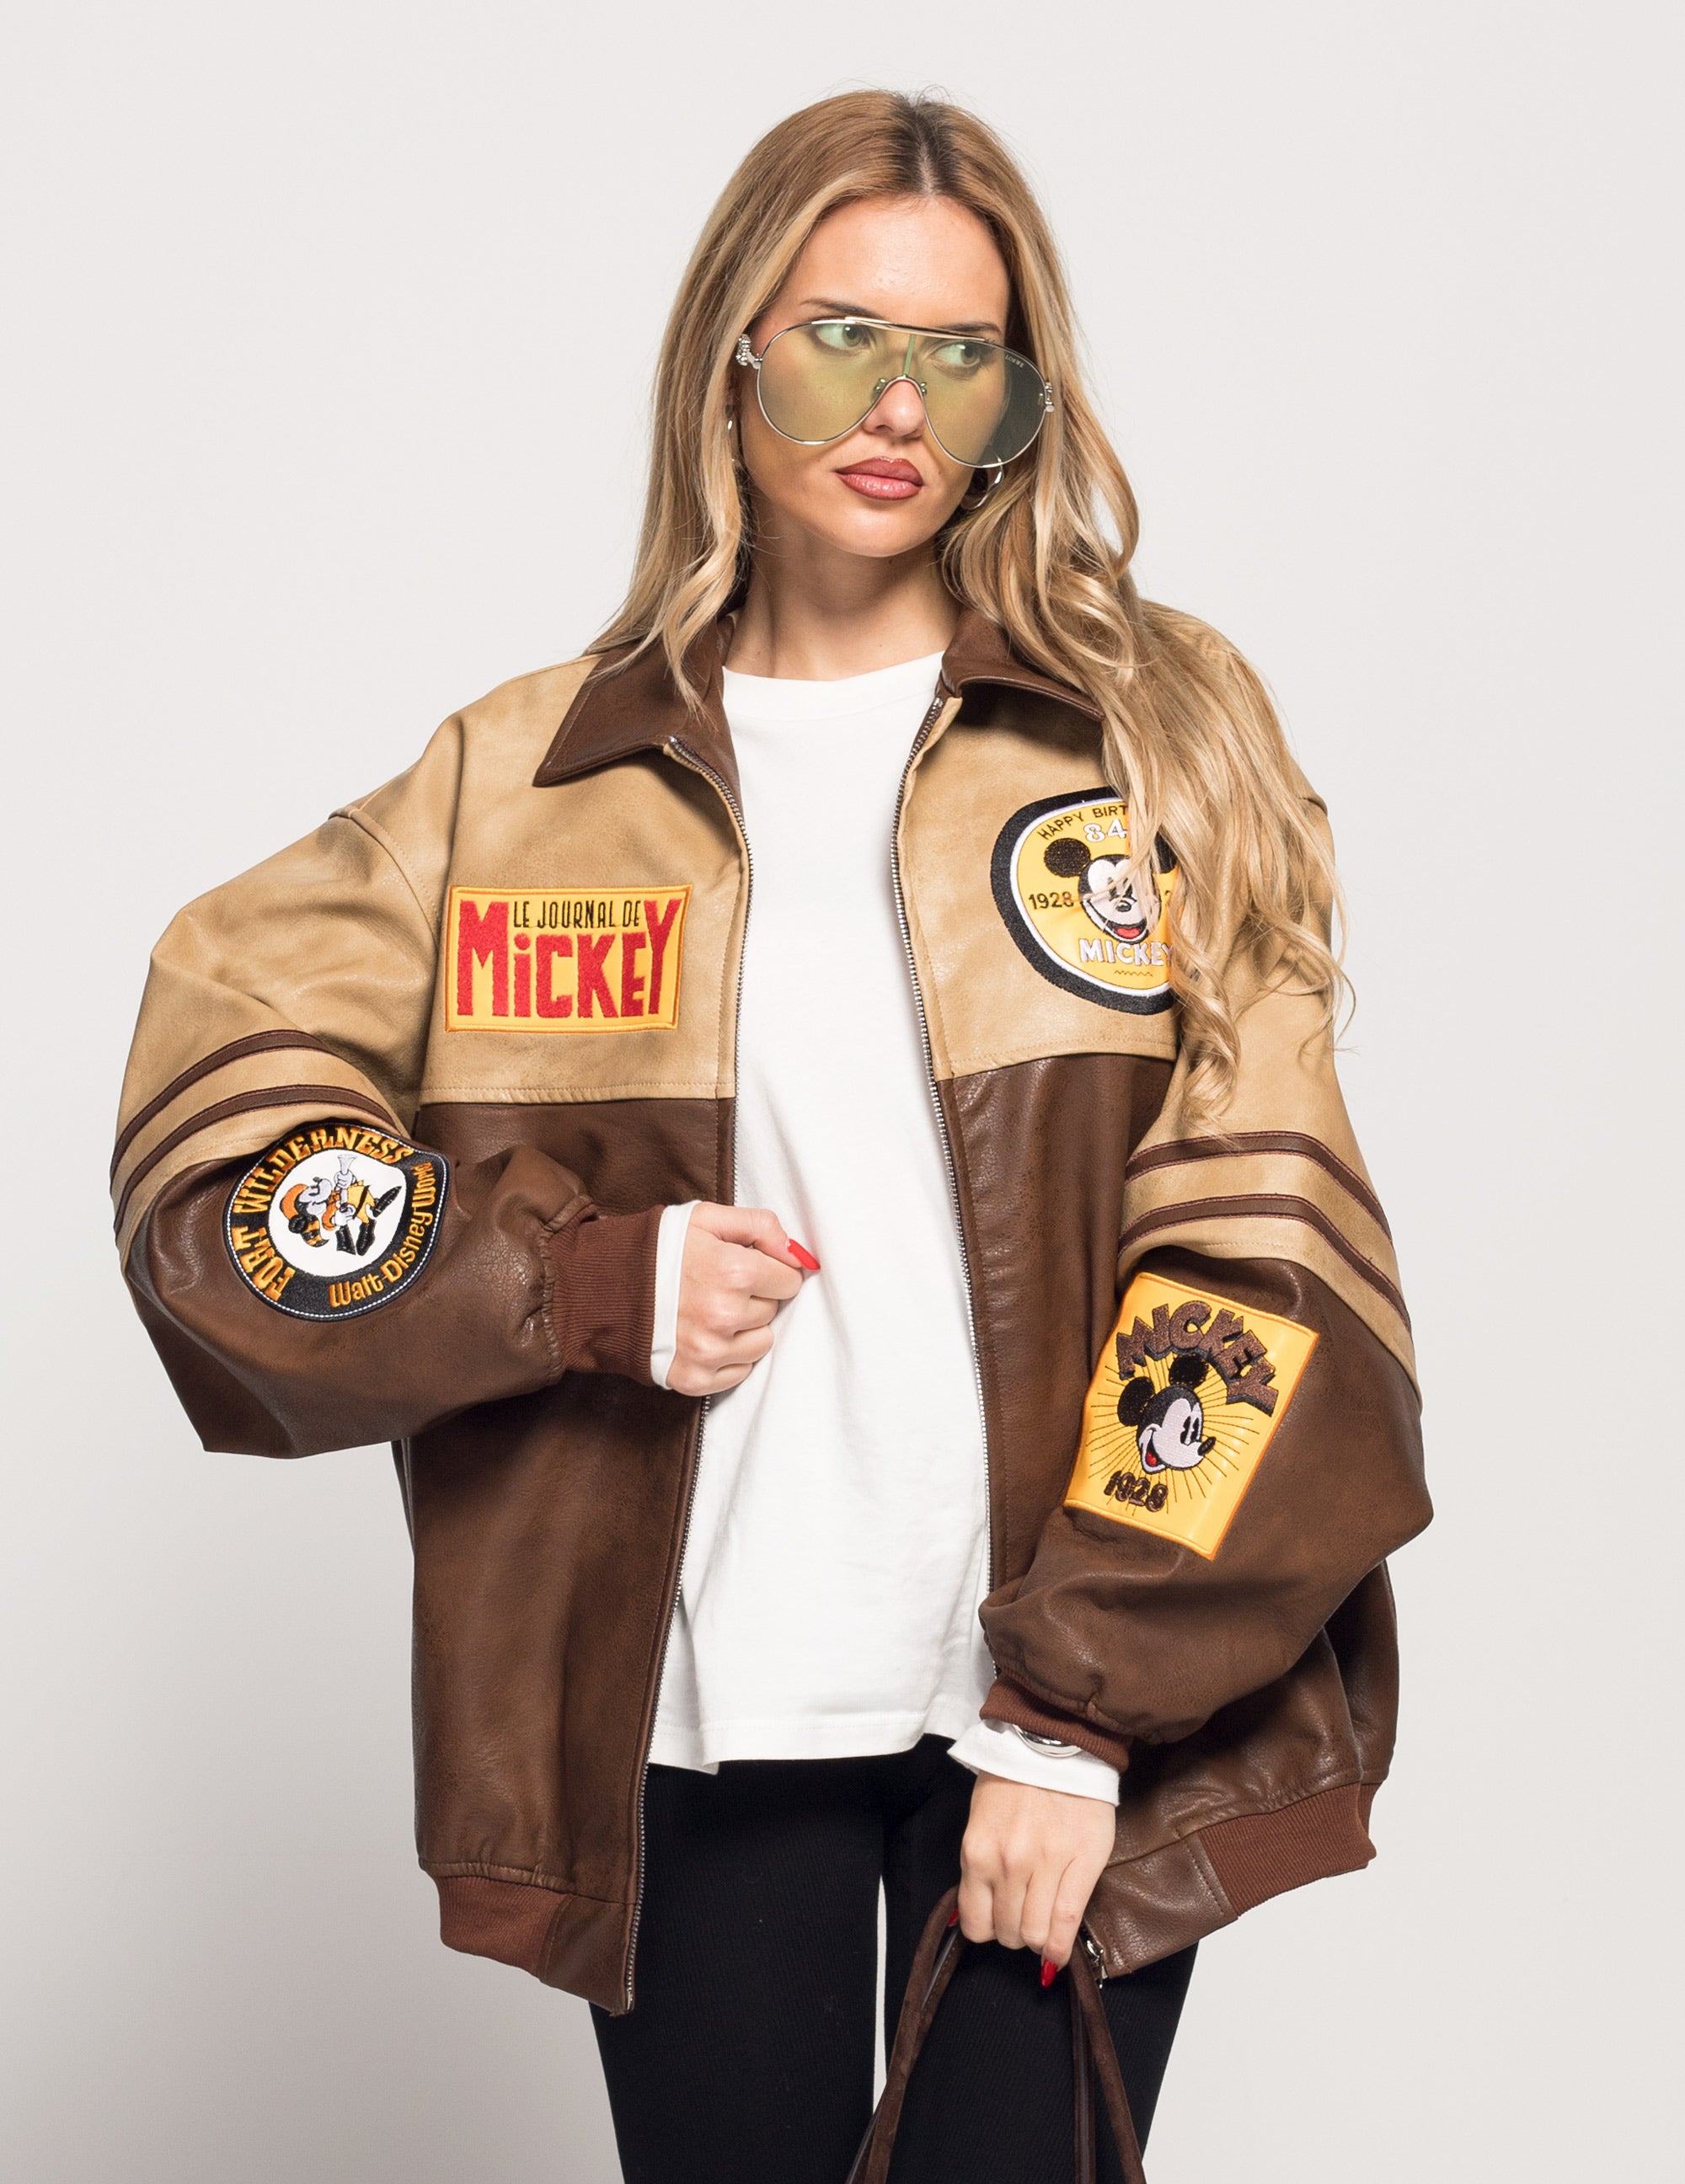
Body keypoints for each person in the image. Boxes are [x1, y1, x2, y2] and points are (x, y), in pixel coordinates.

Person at [111, 90, 1431, 2184]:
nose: (898, 405)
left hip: (1062, 1697)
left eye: (964, 356)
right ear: (729, 355)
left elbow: (1263, 1256)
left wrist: (1075, 1712)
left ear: (1015, 403)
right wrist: (569, 1286)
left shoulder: (1155, 738)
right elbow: (219, 1163)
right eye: (841, 336)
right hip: (699, 1710)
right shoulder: (523, 785)